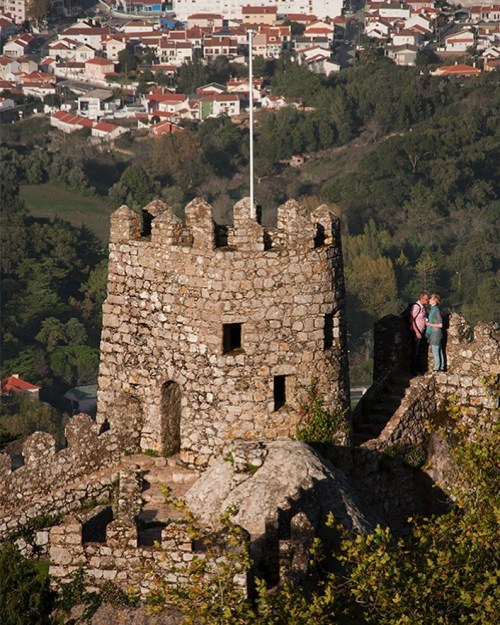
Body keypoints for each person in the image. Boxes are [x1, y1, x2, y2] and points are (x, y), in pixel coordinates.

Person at [410, 291, 429, 375]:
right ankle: (414, 371)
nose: (428, 300)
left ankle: (418, 369)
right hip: (416, 333)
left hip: (421, 331)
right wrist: (417, 332)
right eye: (426, 299)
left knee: (419, 351)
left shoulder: (422, 307)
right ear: (421, 298)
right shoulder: (416, 307)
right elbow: (412, 320)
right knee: (415, 352)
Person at [426, 293, 444, 371]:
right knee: (439, 350)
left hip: (435, 333)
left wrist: (430, 324)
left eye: (431, 298)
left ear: (435, 301)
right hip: (435, 333)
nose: (429, 299)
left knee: (435, 351)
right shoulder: (433, 310)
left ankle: (437, 368)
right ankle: (441, 367)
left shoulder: (436, 311)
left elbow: (440, 325)